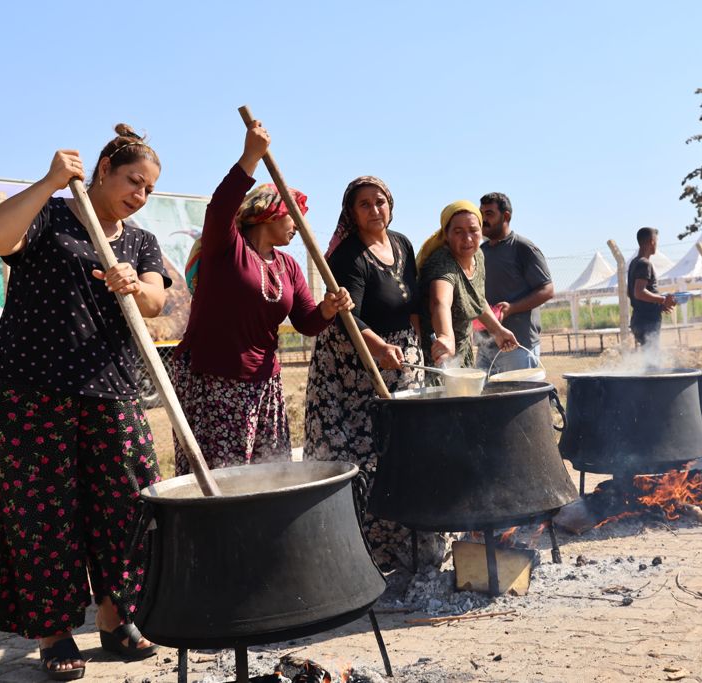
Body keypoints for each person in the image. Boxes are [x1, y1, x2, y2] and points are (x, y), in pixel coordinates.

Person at [0, 125, 169, 679]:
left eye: (150, 189)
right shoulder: (51, 216)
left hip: (112, 388)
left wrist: (137, 284)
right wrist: (49, 181)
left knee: (127, 504)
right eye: (134, 181)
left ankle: (114, 616)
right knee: (44, 513)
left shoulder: (139, 241)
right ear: (103, 169)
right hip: (34, 390)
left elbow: (157, 300)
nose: (140, 195)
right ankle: (55, 632)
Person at [173, 121, 352, 476]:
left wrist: (328, 308)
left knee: (267, 474)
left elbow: (306, 322)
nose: (299, 226)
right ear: (270, 212)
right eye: (294, 217)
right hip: (215, 379)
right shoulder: (225, 250)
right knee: (223, 475)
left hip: (265, 384)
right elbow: (219, 208)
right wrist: (250, 157)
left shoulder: (287, 266)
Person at [304, 176, 438, 570]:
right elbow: (347, 316)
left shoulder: (402, 243)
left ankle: (405, 545)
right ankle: (362, 554)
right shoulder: (348, 256)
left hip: (400, 360)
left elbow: (412, 302)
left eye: (380, 202)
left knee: (403, 451)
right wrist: (378, 348)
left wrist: (418, 342)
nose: (375, 209)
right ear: (351, 213)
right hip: (354, 368)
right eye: (365, 204)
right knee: (365, 456)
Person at [417, 201, 518, 367]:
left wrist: (498, 331)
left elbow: (476, 300)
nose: (467, 239)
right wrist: (446, 336)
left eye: (473, 230)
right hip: (437, 356)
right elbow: (440, 302)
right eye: (458, 232)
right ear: (446, 234)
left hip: (463, 350)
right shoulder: (442, 263)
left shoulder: (478, 255)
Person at [475, 192, 553, 372]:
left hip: (517, 345)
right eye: (481, 214)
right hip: (486, 344)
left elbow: (547, 290)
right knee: (485, 399)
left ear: (506, 216)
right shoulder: (479, 253)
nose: (483, 220)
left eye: (489, 214)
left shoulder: (523, 248)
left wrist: (511, 308)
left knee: (517, 399)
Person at [627, 226, 676, 348]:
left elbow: (630, 292)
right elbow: (639, 292)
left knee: (648, 358)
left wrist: (657, 304)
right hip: (647, 321)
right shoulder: (645, 264)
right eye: (656, 241)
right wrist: (663, 300)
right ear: (652, 242)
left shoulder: (634, 262)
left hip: (638, 319)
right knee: (652, 361)